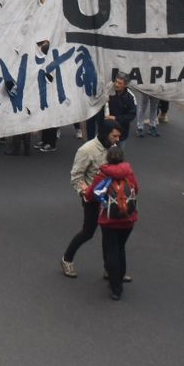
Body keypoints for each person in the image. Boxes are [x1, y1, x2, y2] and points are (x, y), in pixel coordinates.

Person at [62, 121, 121, 278]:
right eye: (114, 136)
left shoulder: (114, 148)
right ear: (105, 133)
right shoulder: (87, 150)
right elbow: (76, 176)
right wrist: (85, 192)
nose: (117, 139)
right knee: (88, 232)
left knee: (108, 234)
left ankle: (110, 269)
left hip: (110, 199)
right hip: (92, 199)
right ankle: (67, 259)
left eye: (118, 136)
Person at [94, 145, 139, 300]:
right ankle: (120, 277)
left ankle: (116, 288)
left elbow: (93, 192)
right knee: (121, 248)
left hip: (109, 220)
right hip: (128, 219)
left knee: (112, 251)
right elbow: (136, 190)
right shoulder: (129, 173)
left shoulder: (103, 175)